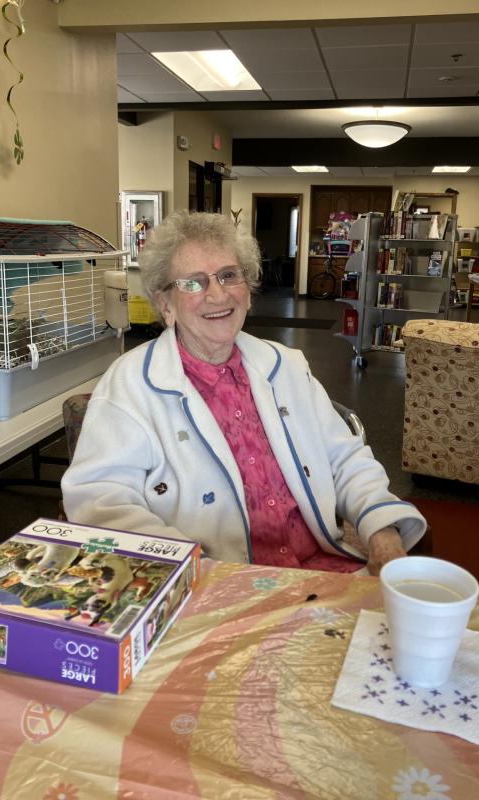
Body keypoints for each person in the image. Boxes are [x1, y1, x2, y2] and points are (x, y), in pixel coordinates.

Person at [62, 211, 426, 575]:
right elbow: (100, 499)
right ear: (165, 304)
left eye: (228, 275)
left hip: (321, 568)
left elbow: (344, 459)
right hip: (210, 583)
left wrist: (382, 533)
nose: (218, 295)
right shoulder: (129, 385)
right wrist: (189, 570)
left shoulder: (286, 365)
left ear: (248, 291)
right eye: (194, 282)